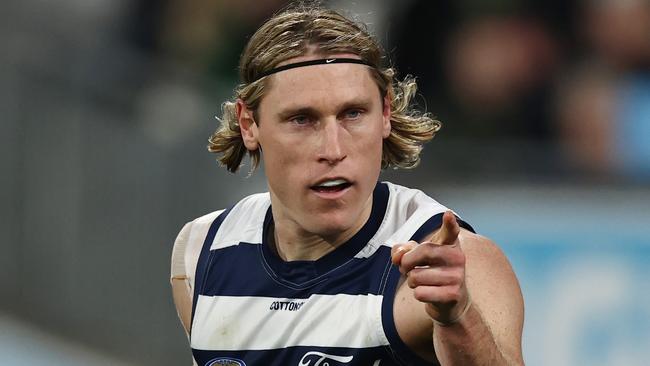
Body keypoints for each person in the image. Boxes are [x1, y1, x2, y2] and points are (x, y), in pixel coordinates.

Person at [170, 3, 524, 365]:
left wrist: (459, 317)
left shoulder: (451, 262)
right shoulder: (202, 253)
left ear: (385, 114)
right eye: (302, 119)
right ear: (249, 124)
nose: (333, 150)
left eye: (353, 114)